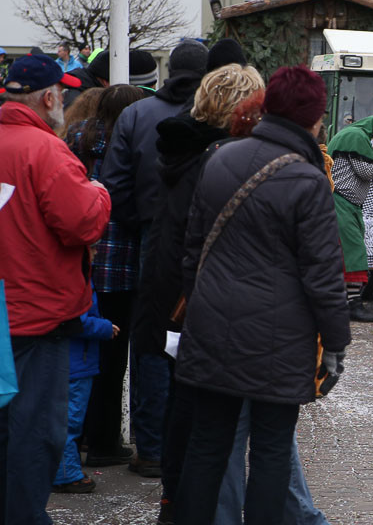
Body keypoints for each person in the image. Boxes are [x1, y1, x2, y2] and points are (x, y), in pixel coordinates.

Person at [173, 66, 350, 525]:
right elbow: (323, 273)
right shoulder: (307, 178)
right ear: (314, 118)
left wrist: (202, 302)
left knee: (208, 444)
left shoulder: (221, 157)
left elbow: (192, 250)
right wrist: (335, 343)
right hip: (278, 338)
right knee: (271, 448)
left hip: (212, 325)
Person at [142, 64, 265, 522]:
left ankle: (174, 502)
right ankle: (192, 508)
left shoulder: (183, 149)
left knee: (184, 409)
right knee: (207, 421)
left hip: (170, 290)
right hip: (201, 299)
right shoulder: (222, 157)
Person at [0, 54, 111, 524]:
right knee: (33, 436)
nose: (64, 101)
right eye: (61, 94)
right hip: (36, 318)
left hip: (10, 311)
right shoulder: (44, 150)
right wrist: (100, 190)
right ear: (48, 98)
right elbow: (81, 222)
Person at [98, 39, 208, 477]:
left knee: (151, 337)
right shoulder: (212, 116)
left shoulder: (136, 114)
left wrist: (138, 221)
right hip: (205, 238)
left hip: (151, 235)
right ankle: (190, 442)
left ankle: (152, 446)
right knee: (198, 335)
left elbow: (113, 182)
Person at [66, 85, 148, 471]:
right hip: (123, 260)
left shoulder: (75, 138)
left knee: (78, 352)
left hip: (80, 258)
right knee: (114, 359)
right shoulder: (132, 143)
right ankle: (104, 440)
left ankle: (74, 438)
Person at [52, 292, 116, 494]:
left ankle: (64, 470)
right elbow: (74, 319)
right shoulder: (76, 278)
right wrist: (104, 327)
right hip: (78, 362)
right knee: (70, 421)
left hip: (72, 360)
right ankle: (65, 474)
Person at [328, 116, 373, 323]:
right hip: (341, 202)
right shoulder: (355, 137)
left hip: (347, 203)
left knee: (347, 252)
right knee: (354, 252)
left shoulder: (351, 135)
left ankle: (345, 302)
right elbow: (366, 172)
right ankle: (353, 304)